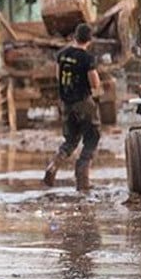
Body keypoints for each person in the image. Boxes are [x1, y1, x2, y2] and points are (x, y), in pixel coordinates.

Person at [43, 23, 100, 191]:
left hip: (66, 103)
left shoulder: (61, 54)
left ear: (75, 37)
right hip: (83, 102)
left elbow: (57, 76)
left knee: (70, 139)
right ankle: (82, 179)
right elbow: (95, 83)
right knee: (92, 137)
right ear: (89, 40)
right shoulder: (87, 58)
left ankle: (53, 165)